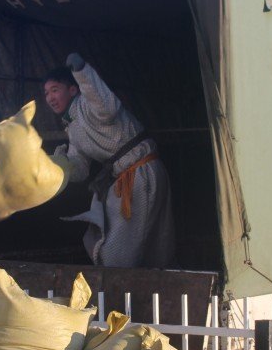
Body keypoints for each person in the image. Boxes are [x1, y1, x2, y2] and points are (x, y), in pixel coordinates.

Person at [43, 53, 175, 269]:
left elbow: (108, 106)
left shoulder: (88, 105)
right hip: (131, 177)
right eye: (47, 93)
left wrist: (82, 72)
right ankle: (149, 292)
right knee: (152, 246)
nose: (50, 97)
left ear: (73, 89)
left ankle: (120, 293)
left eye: (55, 90)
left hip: (142, 173)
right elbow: (81, 167)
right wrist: (58, 165)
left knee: (120, 254)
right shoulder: (73, 128)